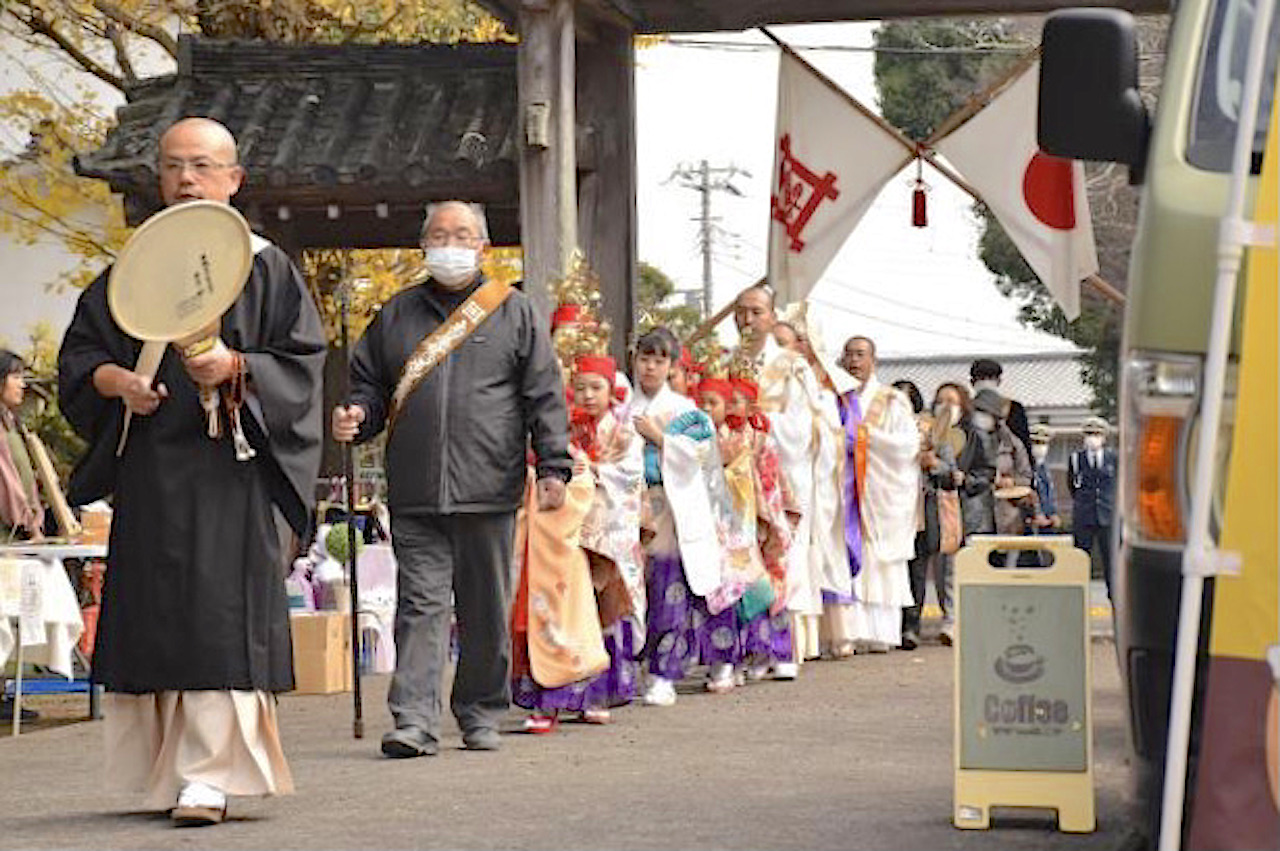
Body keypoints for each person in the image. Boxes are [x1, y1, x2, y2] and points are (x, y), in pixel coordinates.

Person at [57, 117, 325, 825]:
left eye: (202, 165)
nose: (186, 178)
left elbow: (302, 363)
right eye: (174, 165)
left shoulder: (264, 265)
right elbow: (81, 361)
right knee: (155, 615)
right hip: (149, 467)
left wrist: (239, 366)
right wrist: (118, 381)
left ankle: (210, 772)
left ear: (234, 179)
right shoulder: (129, 269)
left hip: (228, 470)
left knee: (216, 617)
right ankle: (168, 771)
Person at [333, 200, 571, 758]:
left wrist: (555, 464)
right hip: (415, 489)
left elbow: (544, 394)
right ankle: (413, 720)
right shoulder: (394, 315)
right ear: (423, 245)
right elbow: (367, 384)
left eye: (461, 234)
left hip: (490, 485)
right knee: (420, 604)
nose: (449, 243)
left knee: (486, 607)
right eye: (439, 234)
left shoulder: (514, 313)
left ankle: (481, 710)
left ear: (483, 246)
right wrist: (356, 415)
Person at [514, 353, 643, 732]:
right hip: (555, 535)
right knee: (550, 610)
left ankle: (592, 696)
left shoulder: (622, 430)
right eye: (580, 386)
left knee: (596, 615)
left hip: (601, 533)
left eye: (596, 386)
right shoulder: (560, 428)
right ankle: (547, 702)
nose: (587, 395)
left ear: (612, 389)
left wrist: (591, 471)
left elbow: (628, 475)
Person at [733, 285, 817, 675]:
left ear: (771, 317)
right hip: (736, 475)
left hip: (779, 473)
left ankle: (782, 649)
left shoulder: (791, 366)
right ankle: (752, 646)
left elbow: (803, 427)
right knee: (742, 558)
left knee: (781, 555)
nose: (748, 320)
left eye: (756, 312)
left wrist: (759, 420)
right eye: (742, 312)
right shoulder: (724, 363)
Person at [828, 336, 918, 653]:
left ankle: (880, 632)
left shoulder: (892, 400)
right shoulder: (834, 398)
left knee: (879, 563)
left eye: (860, 354)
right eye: (849, 354)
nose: (854, 361)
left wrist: (866, 437)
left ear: (874, 360)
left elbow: (907, 445)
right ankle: (846, 632)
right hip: (842, 491)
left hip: (878, 492)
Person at [1068, 416, 1116, 595]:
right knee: (1080, 559)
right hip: (1084, 515)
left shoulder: (1113, 458)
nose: (1092, 438)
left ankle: (1114, 597)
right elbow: (1073, 486)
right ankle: (1079, 595)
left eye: (1096, 434)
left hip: (1107, 515)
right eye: (1089, 434)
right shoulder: (1075, 459)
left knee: (1111, 561)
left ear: (1104, 437)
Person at [0, 352, 43, 543]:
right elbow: (8, 484)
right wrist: (31, 527)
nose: (22, 384)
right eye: (16, 377)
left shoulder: (13, 426)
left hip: (20, 535)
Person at [970, 358, 1032, 460]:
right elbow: (1025, 444)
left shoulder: (964, 408)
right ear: (999, 381)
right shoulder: (1013, 407)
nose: (986, 381)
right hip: (1006, 466)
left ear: (972, 382)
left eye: (990, 377)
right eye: (981, 378)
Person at [1028, 423, 1061, 535]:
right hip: (1030, 520)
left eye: (1043, 443)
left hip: (1046, 521)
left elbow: (1048, 492)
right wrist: (1036, 514)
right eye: (1036, 443)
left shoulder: (1044, 467)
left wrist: (1053, 513)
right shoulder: (1024, 466)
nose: (1040, 447)